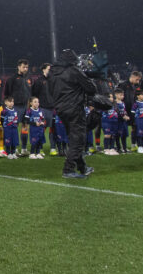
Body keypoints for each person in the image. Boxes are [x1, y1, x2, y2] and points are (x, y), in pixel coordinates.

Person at [47, 49, 97, 179]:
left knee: (74, 138)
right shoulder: (74, 71)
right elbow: (91, 88)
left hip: (61, 109)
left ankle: (82, 167)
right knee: (78, 140)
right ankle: (68, 169)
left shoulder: (52, 72)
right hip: (74, 108)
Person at [5, 60, 32, 156]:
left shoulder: (28, 78)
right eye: (24, 67)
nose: (25, 69)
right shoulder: (12, 79)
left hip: (26, 106)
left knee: (25, 127)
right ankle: (14, 149)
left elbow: (30, 93)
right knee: (14, 127)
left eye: (27, 67)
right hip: (16, 107)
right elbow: (7, 94)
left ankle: (24, 149)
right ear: (18, 67)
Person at [32, 63, 57, 155]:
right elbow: (34, 94)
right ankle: (40, 148)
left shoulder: (53, 80)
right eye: (49, 69)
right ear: (43, 70)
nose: (50, 71)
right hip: (43, 108)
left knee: (53, 128)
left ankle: (53, 148)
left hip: (53, 108)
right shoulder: (39, 81)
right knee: (42, 129)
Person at [113, 89, 130, 154]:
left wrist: (126, 115)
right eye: (121, 95)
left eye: (123, 95)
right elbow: (116, 112)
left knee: (124, 135)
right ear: (116, 95)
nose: (122, 96)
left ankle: (125, 148)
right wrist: (122, 117)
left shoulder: (123, 103)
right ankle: (118, 148)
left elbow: (124, 111)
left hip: (124, 122)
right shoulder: (114, 103)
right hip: (118, 122)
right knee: (117, 135)